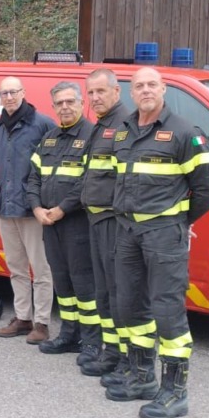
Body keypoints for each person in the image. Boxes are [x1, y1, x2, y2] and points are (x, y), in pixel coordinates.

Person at [106, 66, 209, 418]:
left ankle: (175, 392)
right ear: (131, 93)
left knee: (167, 311)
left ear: (164, 89)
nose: (145, 90)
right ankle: (142, 377)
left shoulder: (185, 133)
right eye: (139, 86)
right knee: (130, 305)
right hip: (128, 231)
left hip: (163, 234)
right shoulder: (123, 132)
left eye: (152, 84)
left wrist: (177, 221)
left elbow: (206, 191)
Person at [28, 81, 99, 362]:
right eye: (59, 103)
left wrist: (62, 209)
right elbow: (33, 177)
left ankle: (91, 341)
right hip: (49, 224)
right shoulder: (49, 138)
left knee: (84, 285)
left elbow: (90, 181)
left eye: (70, 101)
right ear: (53, 107)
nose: (65, 107)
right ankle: (69, 334)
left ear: (82, 103)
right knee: (63, 282)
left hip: (77, 223)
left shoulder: (93, 137)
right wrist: (36, 207)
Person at [0, 76, 55, 343]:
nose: (9, 97)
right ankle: (23, 318)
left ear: (23, 93)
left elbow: (52, 168)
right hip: (5, 207)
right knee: (16, 268)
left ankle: (42, 323)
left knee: (41, 270)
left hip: (32, 209)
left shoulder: (42, 124)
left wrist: (41, 202)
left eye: (13, 92)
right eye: (3, 93)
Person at [79, 67, 129, 380]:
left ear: (116, 91)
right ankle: (110, 352)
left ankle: (125, 357)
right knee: (104, 292)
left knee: (117, 291)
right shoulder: (102, 124)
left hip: (113, 221)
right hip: (97, 219)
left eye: (101, 91)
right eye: (91, 93)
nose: (95, 98)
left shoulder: (123, 125)